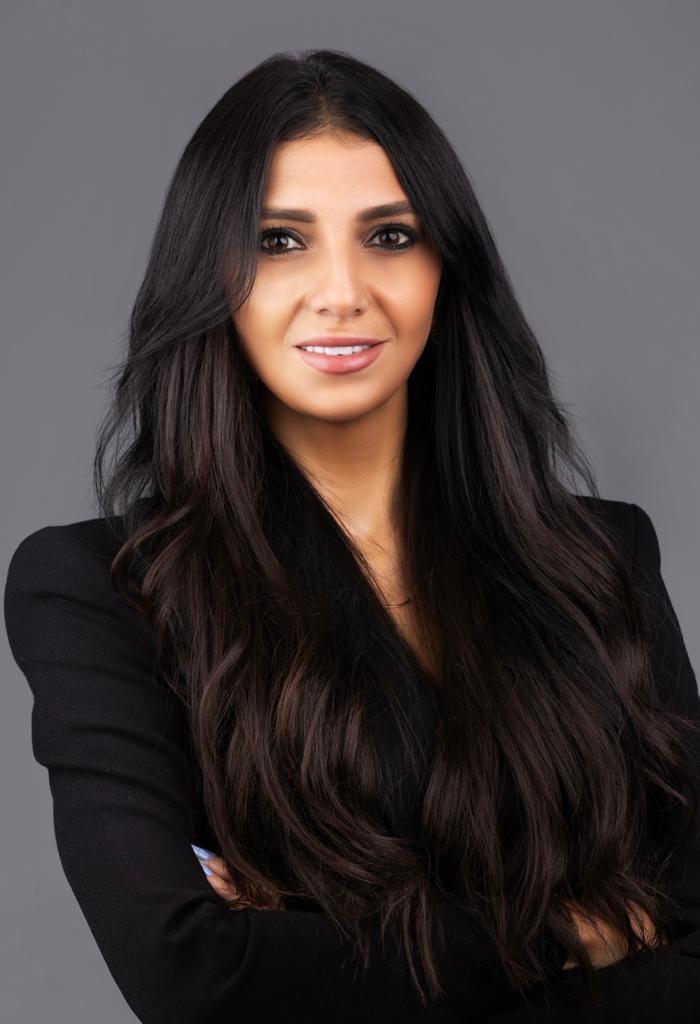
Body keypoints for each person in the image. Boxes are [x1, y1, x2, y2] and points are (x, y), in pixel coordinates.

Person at [4, 48, 700, 1023]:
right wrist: (565, 933)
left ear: (447, 266)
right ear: (210, 273)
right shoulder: (102, 589)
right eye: (280, 240)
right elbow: (191, 973)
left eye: (390, 235)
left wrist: (317, 949)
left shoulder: (601, 558)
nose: (341, 290)